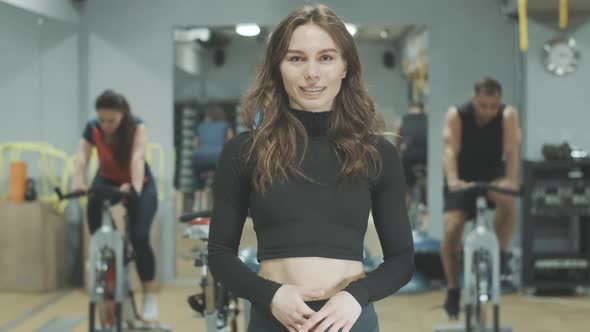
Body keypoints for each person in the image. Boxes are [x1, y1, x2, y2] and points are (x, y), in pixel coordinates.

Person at [207, 5, 414, 332]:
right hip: (273, 319)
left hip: (350, 321)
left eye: (326, 58)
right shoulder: (245, 152)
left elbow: (402, 259)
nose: (312, 73)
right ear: (278, 68)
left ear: (345, 66)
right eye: (296, 58)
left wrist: (355, 297)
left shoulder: (377, 154)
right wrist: (271, 295)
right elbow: (219, 254)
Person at [72, 89, 160, 322]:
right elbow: (81, 156)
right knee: (92, 201)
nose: (106, 125)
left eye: (111, 120)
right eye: (102, 120)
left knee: (140, 237)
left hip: (140, 182)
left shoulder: (137, 126)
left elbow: (138, 156)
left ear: (122, 115)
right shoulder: (92, 128)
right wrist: (78, 180)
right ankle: (105, 253)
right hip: (107, 181)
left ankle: (149, 296)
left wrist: (134, 188)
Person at [441, 77, 521, 319]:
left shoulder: (508, 115)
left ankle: (502, 254)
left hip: (491, 178)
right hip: (462, 180)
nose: (489, 111)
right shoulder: (457, 115)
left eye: (493, 106)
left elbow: (512, 150)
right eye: (483, 105)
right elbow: (449, 150)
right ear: (474, 99)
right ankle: (453, 289)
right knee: (453, 228)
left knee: (507, 202)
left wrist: (510, 180)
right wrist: (453, 180)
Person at [192, 104, 234, 210]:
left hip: (199, 158)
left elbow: (195, 144)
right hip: (217, 158)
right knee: (221, 180)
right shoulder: (225, 125)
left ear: (208, 116)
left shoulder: (201, 126)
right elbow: (231, 142)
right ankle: (217, 204)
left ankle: (197, 204)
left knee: (198, 181)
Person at [394, 101, 428, 205]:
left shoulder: (402, 120)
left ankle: (405, 206)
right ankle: (426, 201)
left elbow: (396, 143)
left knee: (405, 186)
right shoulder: (429, 119)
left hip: (408, 158)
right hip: (426, 157)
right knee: (427, 180)